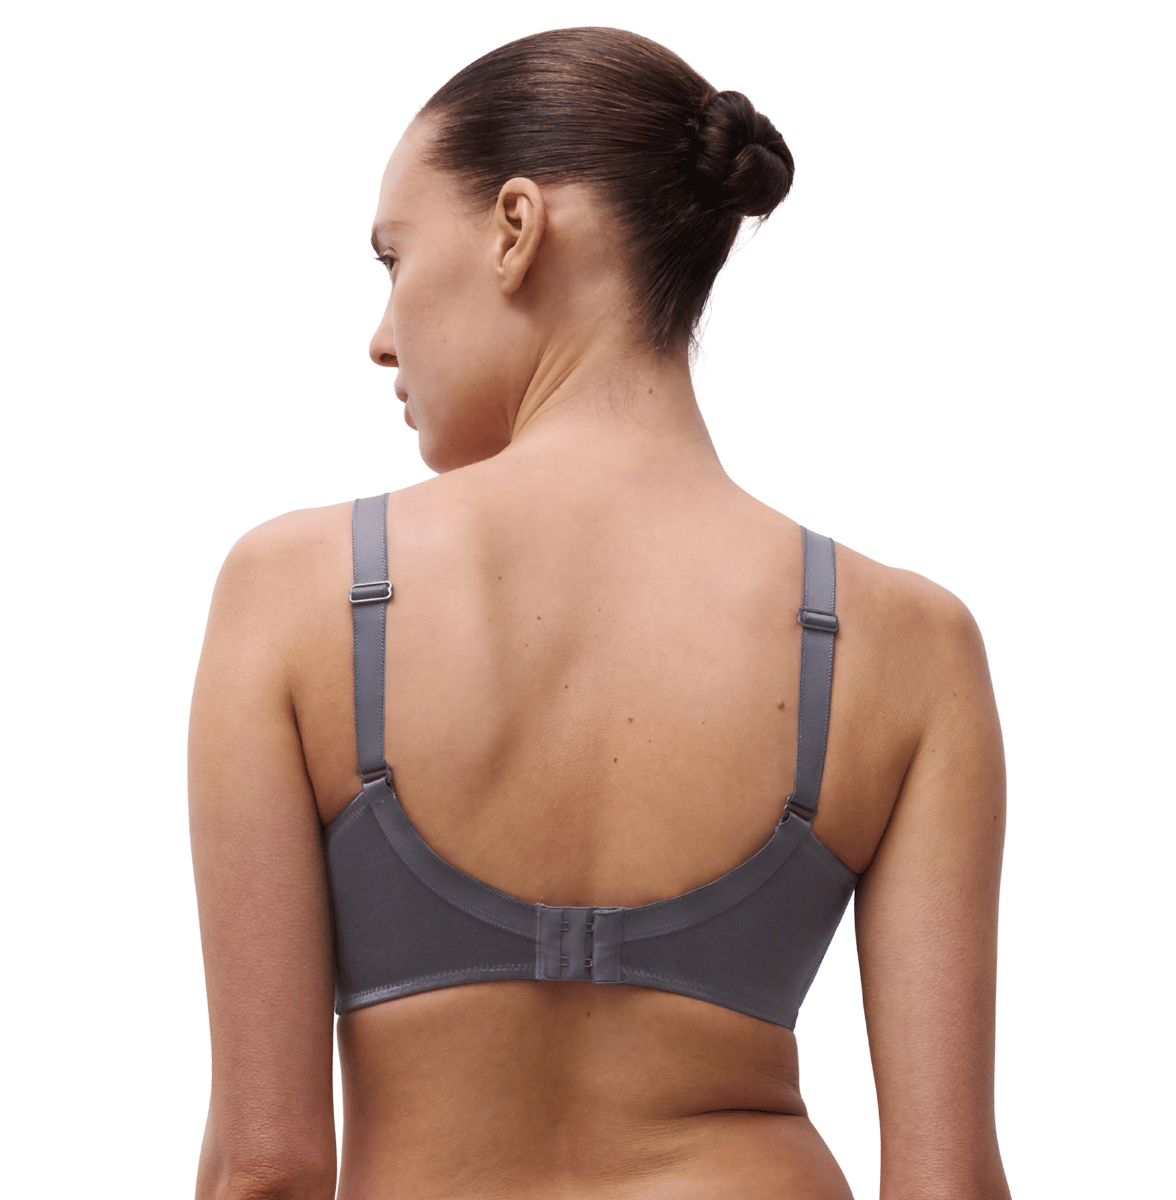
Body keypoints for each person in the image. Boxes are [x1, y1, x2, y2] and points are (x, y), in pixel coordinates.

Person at [189, 27, 1010, 1200]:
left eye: (391, 257)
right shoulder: (910, 645)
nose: (380, 337)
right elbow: (949, 1186)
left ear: (515, 228)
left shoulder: (296, 592)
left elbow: (266, 1167)